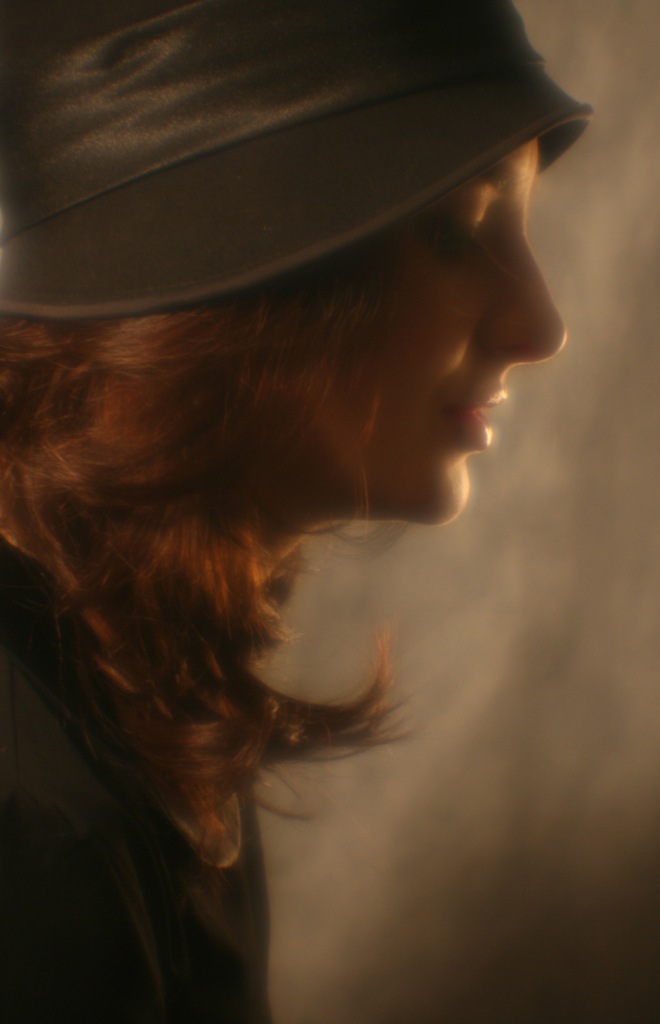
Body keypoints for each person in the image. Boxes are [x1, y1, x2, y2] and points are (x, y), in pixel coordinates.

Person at [0, 1, 591, 1021]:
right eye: (457, 231)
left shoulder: (133, 684)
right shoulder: (38, 842)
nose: (541, 325)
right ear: (221, 279)